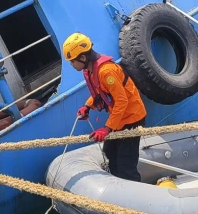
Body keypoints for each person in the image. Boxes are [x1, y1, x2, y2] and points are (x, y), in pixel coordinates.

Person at [63, 32, 147, 182]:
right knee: (110, 152)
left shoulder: (106, 71)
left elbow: (122, 101)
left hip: (132, 119)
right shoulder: (89, 70)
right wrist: (87, 106)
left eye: (72, 61)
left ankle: (134, 196)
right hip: (120, 119)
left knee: (126, 165)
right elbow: (99, 93)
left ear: (82, 58)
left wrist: (107, 128)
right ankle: (118, 187)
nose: (71, 65)